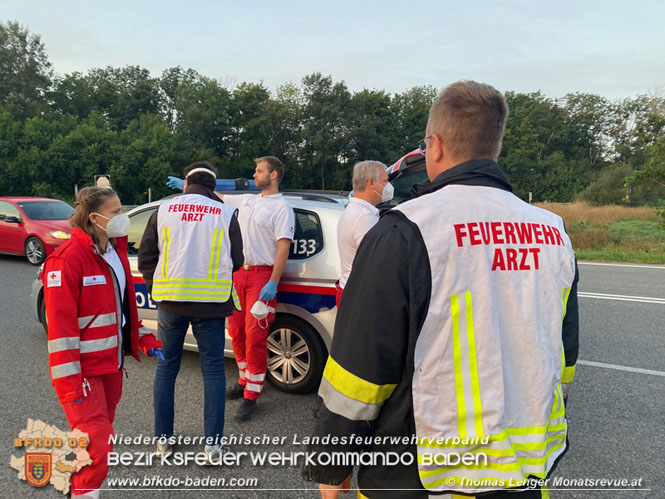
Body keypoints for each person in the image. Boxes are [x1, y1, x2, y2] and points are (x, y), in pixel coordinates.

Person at [304, 80, 580, 499]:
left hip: (419, 477)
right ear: (494, 147)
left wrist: (332, 464)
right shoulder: (553, 231)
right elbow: (564, 354)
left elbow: (358, 373)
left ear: (433, 146)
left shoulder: (407, 230)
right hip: (524, 470)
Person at [44, 186, 163, 499]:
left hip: (111, 367)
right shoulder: (68, 260)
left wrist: (142, 337)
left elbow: (120, 308)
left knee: (95, 444)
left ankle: (79, 489)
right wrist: (69, 383)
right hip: (82, 374)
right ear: (94, 217)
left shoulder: (115, 251)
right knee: (97, 445)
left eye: (122, 210)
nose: (122, 217)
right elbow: (61, 331)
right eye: (116, 212)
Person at [138, 162, 243, 462]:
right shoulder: (225, 213)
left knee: (166, 369)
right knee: (212, 372)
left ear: (186, 184)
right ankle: (213, 446)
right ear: (212, 186)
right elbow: (237, 260)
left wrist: (157, 285)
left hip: (170, 303)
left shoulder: (165, 210)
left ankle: (163, 441)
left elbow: (146, 256)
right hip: (211, 305)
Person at [219, 156, 295, 421]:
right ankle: (243, 379)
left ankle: (252, 394)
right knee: (236, 330)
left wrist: (273, 282)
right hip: (239, 274)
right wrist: (192, 184)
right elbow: (218, 196)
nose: (255, 174)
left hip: (262, 275)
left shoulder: (282, 207)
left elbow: (283, 246)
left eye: (259, 170)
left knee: (255, 335)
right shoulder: (248, 200)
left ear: (273, 174)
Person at [336, 160, 392, 307]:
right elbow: (378, 262)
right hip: (360, 296)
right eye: (385, 181)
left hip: (352, 291)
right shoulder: (364, 217)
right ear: (371, 183)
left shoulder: (353, 211)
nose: (389, 186)